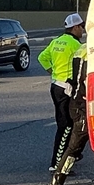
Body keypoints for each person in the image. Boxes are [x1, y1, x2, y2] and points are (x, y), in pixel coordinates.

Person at [47, 24, 90, 185]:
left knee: (76, 147)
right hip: (85, 104)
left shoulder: (82, 49)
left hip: (78, 100)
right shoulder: (89, 52)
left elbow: (44, 58)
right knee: (74, 146)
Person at [38, 14, 85, 172]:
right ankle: (57, 163)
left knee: (68, 123)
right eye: (82, 27)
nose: (83, 30)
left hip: (56, 87)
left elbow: (42, 57)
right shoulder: (75, 45)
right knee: (66, 126)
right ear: (75, 27)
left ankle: (72, 154)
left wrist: (52, 72)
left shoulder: (56, 42)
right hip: (68, 89)